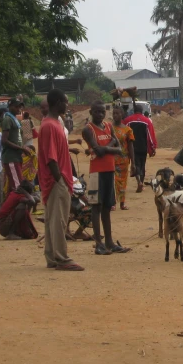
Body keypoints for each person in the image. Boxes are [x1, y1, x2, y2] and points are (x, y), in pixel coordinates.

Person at [38, 90, 84, 271]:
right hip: (57, 180)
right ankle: (62, 258)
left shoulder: (53, 123)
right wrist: (60, 181)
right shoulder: (50, 126)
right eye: (65, 101)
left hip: (57, 180)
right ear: (57, 102)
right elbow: (51, 158)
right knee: (59, 221)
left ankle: (52, 257)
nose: (67, 105)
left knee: (53, 219)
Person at [82, 101, 130, 255]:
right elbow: (100, 151)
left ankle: (109, 242)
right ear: (91, 112)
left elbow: (119, 149)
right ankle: (98, 243)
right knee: (96, 206)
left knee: (107, 207)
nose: (100, 114)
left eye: (102, 112)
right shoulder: (88, 129)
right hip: (96, 172)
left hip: (109, 170)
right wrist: (112, 144)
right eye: (97, 112)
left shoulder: (108, 126)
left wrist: (106, 147)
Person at [1, 97, 31, 198]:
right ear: (10, 107)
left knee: (13, 185)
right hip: (11, 158)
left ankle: (8, 211)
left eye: (20, 107)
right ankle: (17, 211)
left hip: (16, 157)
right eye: (16, 107)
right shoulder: (7, 119)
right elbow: (4, 140)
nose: (19, 109)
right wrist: (21, 149)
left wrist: (24, 148)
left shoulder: (15, 120)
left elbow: (17, 139)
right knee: (18, 187)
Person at [123, 103, 157, 193]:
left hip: (132, 147)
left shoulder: (127, 120)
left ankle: (139, 182)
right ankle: (141, 182)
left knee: (135, 164)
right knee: (142, 165)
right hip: (143, 147)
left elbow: (123, 133)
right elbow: (150, 135)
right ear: (142, 111)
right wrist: (153, 147)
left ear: (133, 111)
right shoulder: (147, 121)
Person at [112, 107, 136, 211]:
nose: (115, 115)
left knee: (122, 182)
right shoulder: (109, 128)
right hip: (111, 159)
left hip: (123, 160)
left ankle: (122, 202)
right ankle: (112, 203)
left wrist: (133, 163)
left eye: (117, 113)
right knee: (112, 182)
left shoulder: (127, 130)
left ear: (122, 115)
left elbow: (131, 147)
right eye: (114, 113)